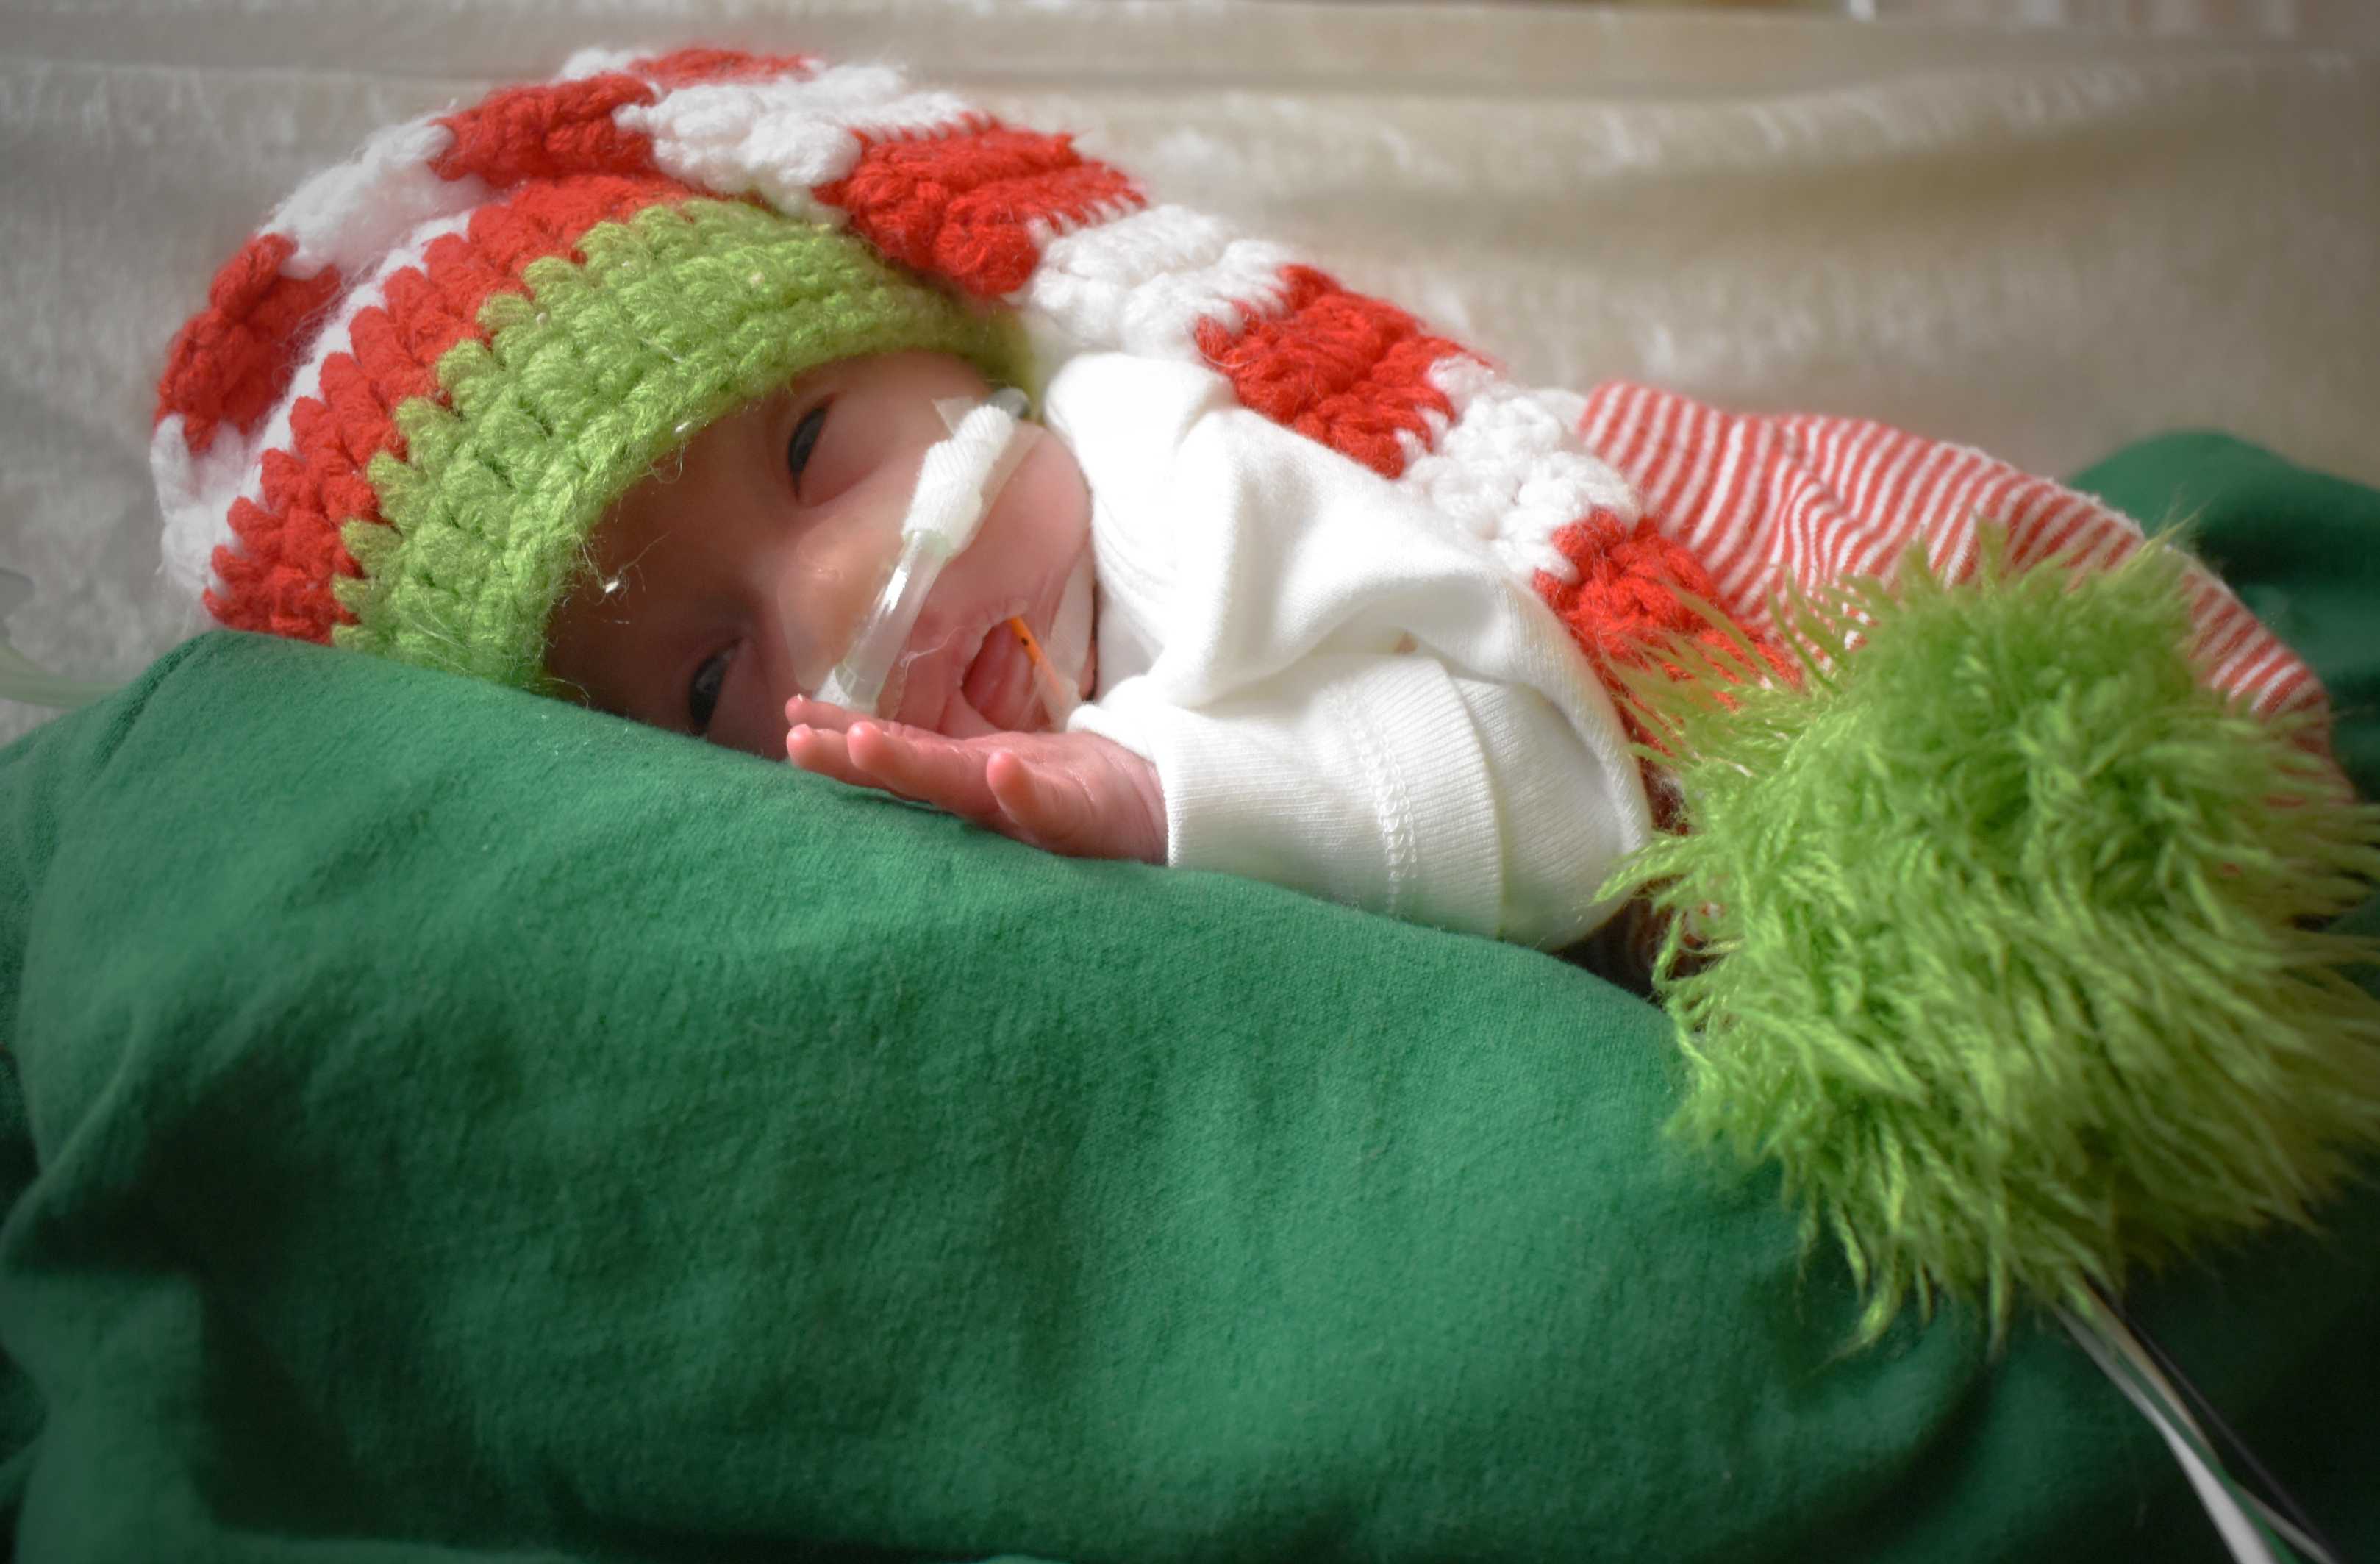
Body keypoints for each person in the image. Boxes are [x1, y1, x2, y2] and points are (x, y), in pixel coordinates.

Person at [149, 46, 2330, 957]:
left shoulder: (1182, 477)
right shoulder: (917, 767)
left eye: (818, 451)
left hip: (1864, 665)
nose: (841, 605)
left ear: (964, 342)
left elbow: (1545, 770)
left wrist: (1171, 795)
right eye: (712, 674)